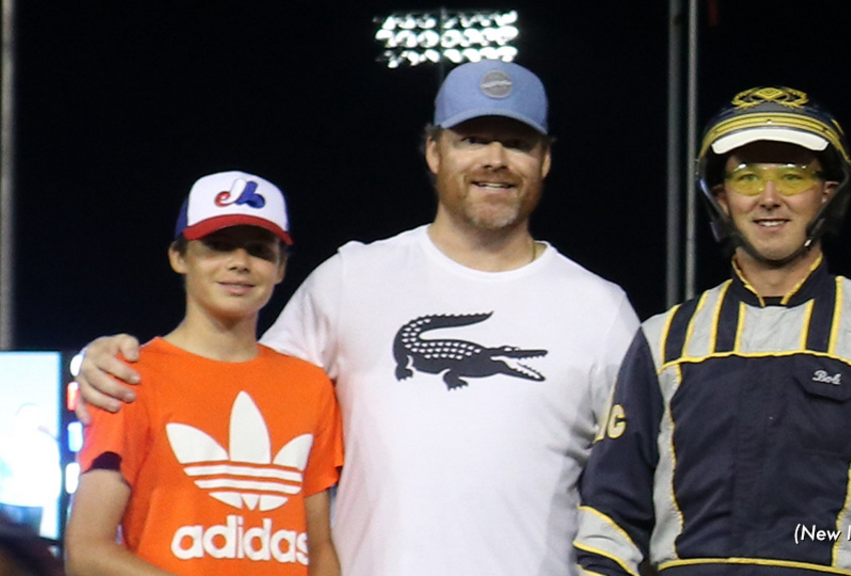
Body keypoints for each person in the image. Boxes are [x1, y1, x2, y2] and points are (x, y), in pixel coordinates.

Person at [74, 61, 640, 575]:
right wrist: (105, 360)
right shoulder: (352, 280)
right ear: (434, 151)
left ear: (544, 159)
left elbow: (641, 486)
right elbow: (232, 381)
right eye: (472, 139)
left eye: (517, 143)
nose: (495, 158)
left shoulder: (599, 308)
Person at [574, 86, 851, 576]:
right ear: (719, 196)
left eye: (792, 176)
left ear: (827, 192)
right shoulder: (664, 340)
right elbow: (611, 509)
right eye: (746, 178)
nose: (769, 198)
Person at [64, 172, 344, 576]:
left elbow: (318, 550)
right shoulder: (127, 377)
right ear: (179, 256)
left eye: (260, 251)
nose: (239, 263)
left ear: (281, 268)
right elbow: (86, 551)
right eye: (217, 246)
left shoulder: (309, 385)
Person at [0, 404, 61, 536]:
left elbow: (53, 470)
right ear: (16, 418)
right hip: (8, 500)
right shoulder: (3, 440)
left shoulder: (47, 443)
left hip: (35, 501)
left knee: (32, 544)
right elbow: (7, 463)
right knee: (7, 544)